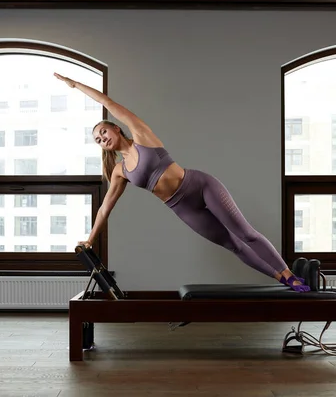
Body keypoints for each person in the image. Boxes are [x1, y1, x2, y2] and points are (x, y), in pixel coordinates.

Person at [54, 72, 310, 293]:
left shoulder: (142, 134)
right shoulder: (120, 171)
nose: (102, 138)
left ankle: (290, 274)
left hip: (199, 186)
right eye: (98, 139)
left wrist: (76, 86)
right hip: (183, 208)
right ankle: (282, 280)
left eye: (103, 132)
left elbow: (107, 102)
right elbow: (105, 208)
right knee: (234, 246)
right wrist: (90, 239)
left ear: (116, 129)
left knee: (246, 234)